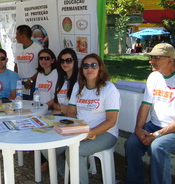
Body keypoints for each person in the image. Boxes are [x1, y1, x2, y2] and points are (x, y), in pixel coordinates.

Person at [124, 43, 175, 184]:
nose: (151, 61)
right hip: (155, 125)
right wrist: (138, 129)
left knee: (157, 147)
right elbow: (145, 105)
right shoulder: (153, 77)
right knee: (132, 143)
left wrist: (157, 135)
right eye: (151, 57)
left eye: (157, 58)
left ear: (170, 60)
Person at [44, 53, 120, 183]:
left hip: (105, 133)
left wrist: (89, 133)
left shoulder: (109, 88)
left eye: (93, 65)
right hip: (80, 129)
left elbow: (111, 121)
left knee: (74, 152)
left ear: (100, 68)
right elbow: (71, 112)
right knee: (47, 147)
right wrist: (76, 127)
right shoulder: (78, 87)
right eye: (85, 66)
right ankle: (64, 172)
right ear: (82, 69)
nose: (89, 69)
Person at [14, 24, 43, 100]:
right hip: (21, 83)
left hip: (33, 83)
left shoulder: (38, 48)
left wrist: (31, 80)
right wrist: (16, 79)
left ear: (23, 36)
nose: (16, 37)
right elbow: (16, 65)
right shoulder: (18, 47)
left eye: (17, 34)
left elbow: (42, 67)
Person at [53, 48, 79, 115]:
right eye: (62, 61)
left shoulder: (80, 80)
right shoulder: (60, 79)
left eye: (68, 60)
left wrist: (66, 109)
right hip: (62, 117)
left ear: (74, 61)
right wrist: (61, 108)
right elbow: (55, 103)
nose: (65, 63)